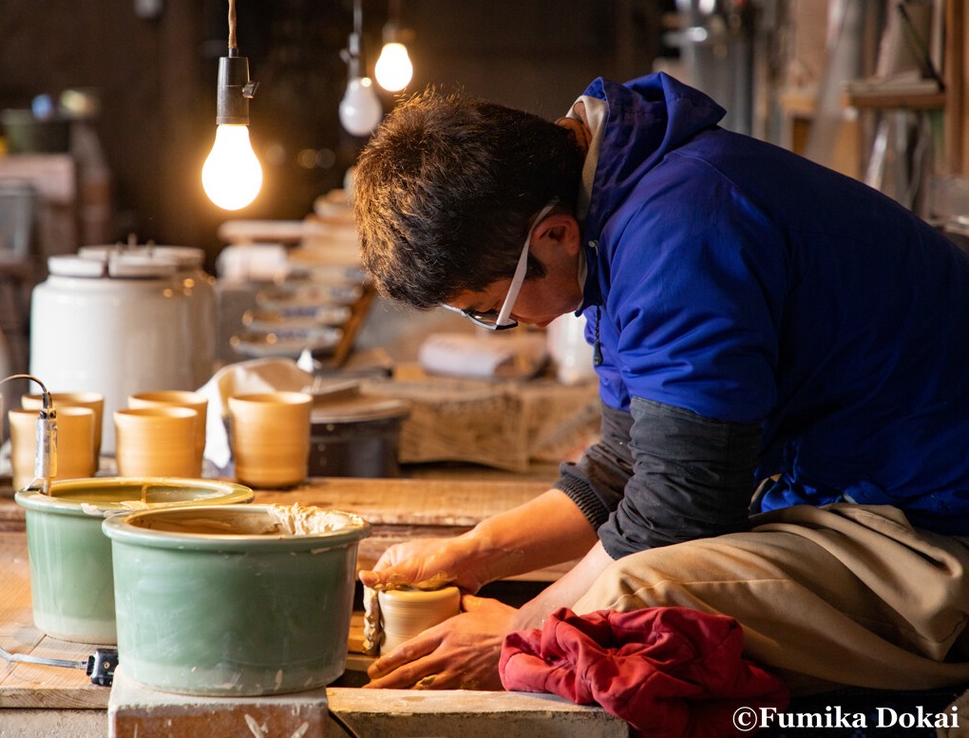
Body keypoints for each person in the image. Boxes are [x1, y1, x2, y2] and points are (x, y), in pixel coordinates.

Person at [351, 73, 969, 696]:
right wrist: (472, 555)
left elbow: (683, 504)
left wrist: (518, 639)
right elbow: (627, 464)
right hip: (860, 498)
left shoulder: (679, 231)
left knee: (631, 602)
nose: (507, 327)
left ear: (555, 235)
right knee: (595, 607)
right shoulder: (621, 215)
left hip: (934, 531)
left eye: (492, 308)